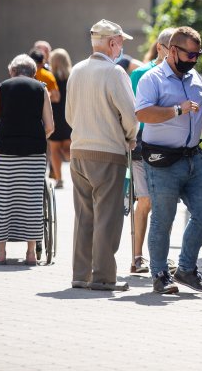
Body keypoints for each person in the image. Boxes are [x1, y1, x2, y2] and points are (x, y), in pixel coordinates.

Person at [135, 26, 202, 294]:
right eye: (190, 55)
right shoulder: (152, 79)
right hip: (162, 159)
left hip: (193, 158)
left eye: (198, 55)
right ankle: (160, 274)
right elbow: (142, 114)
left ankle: (185, 268)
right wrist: (176, 110)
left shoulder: (195, 77)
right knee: (164, 218)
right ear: (173, 51)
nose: (194, 60)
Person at [66, 19, 138, 291]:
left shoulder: (77, 70)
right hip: (108, 151)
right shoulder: (115, 73)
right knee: (107, 217)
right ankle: (104, 277)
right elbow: (131, 117)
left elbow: (70, 116)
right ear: (111, 43)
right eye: (120, 42)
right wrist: (130, 138)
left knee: (84, 215)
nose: (121, 48)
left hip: (79, 151)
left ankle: (80, 274)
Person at [0, 54, 54, 264]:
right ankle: (31, 253)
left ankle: (2, 253)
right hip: (34, 153)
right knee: (32, 200)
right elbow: (50, 127)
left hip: (6, 152)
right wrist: (38, 137)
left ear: (11, 72)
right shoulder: (41, 88)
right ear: (33, 73)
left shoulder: (3, 87)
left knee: (4, 199)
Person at [127, 27, 175, 274]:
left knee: (164, 204)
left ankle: (161, 258)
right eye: (172, 48)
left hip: (169, 147)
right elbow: (132, 109)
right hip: (142, 145)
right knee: (144, 201)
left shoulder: (179, 75)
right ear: (161, 48)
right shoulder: (140, 74)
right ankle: (137, 256)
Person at [48, 48, 73, 189]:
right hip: (69, 116)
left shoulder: (51, 78)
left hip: (54, 116)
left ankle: (59, 179)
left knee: (54, 149)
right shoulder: (72, 77)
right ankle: (80, 175)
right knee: (70, 148)